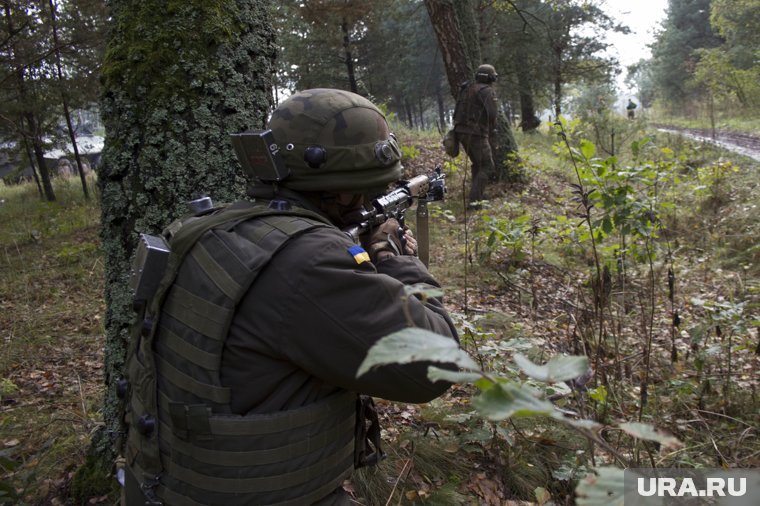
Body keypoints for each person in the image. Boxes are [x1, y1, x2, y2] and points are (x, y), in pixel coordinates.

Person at [121, 88, 459, 505]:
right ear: (346, 189)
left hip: (164, 482)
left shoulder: (211, 229)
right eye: (371, 191)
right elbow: (437, 366)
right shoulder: (310, 264)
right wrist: (394, 257)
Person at [453, 64, 499, 208]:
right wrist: (493, 131)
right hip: (476, 133)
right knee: (487, 166)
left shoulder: (468, 88)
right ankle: (474, 201)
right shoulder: (487, 91)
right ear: (490, 78)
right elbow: (492, 114)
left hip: (461, 132)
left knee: (477, 164)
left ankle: (477, 195)